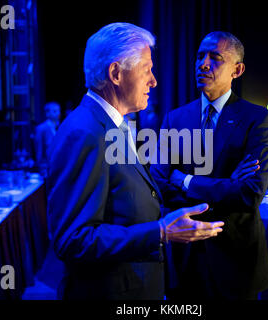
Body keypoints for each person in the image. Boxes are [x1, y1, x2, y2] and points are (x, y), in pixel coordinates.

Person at [46, 23, 224, 300]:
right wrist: (160, 232)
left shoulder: (111, 125)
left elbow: (126, 205)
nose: (153, 81)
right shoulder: (85, 132)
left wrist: (168, 219)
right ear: (116, 73)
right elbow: (73, 240)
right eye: (146, 70)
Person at [151, 31, 268, 300]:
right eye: (199, 56)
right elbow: (159, 183)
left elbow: (250, 194)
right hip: (185, 259)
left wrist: (184, 180)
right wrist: (229, 184)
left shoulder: (258, 119)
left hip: (236, 262)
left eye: (215, 58)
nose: (203, 64)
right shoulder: (175, 118)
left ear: (237, 70)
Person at [34, 101, 61, 176]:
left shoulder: (59, 127)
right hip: (46, 168)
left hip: (56, 166)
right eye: (55, 111)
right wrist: (41, 168)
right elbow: (39, 150)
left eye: (58, 111)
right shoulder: (41, 129)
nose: (58, 113)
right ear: (47, 113)